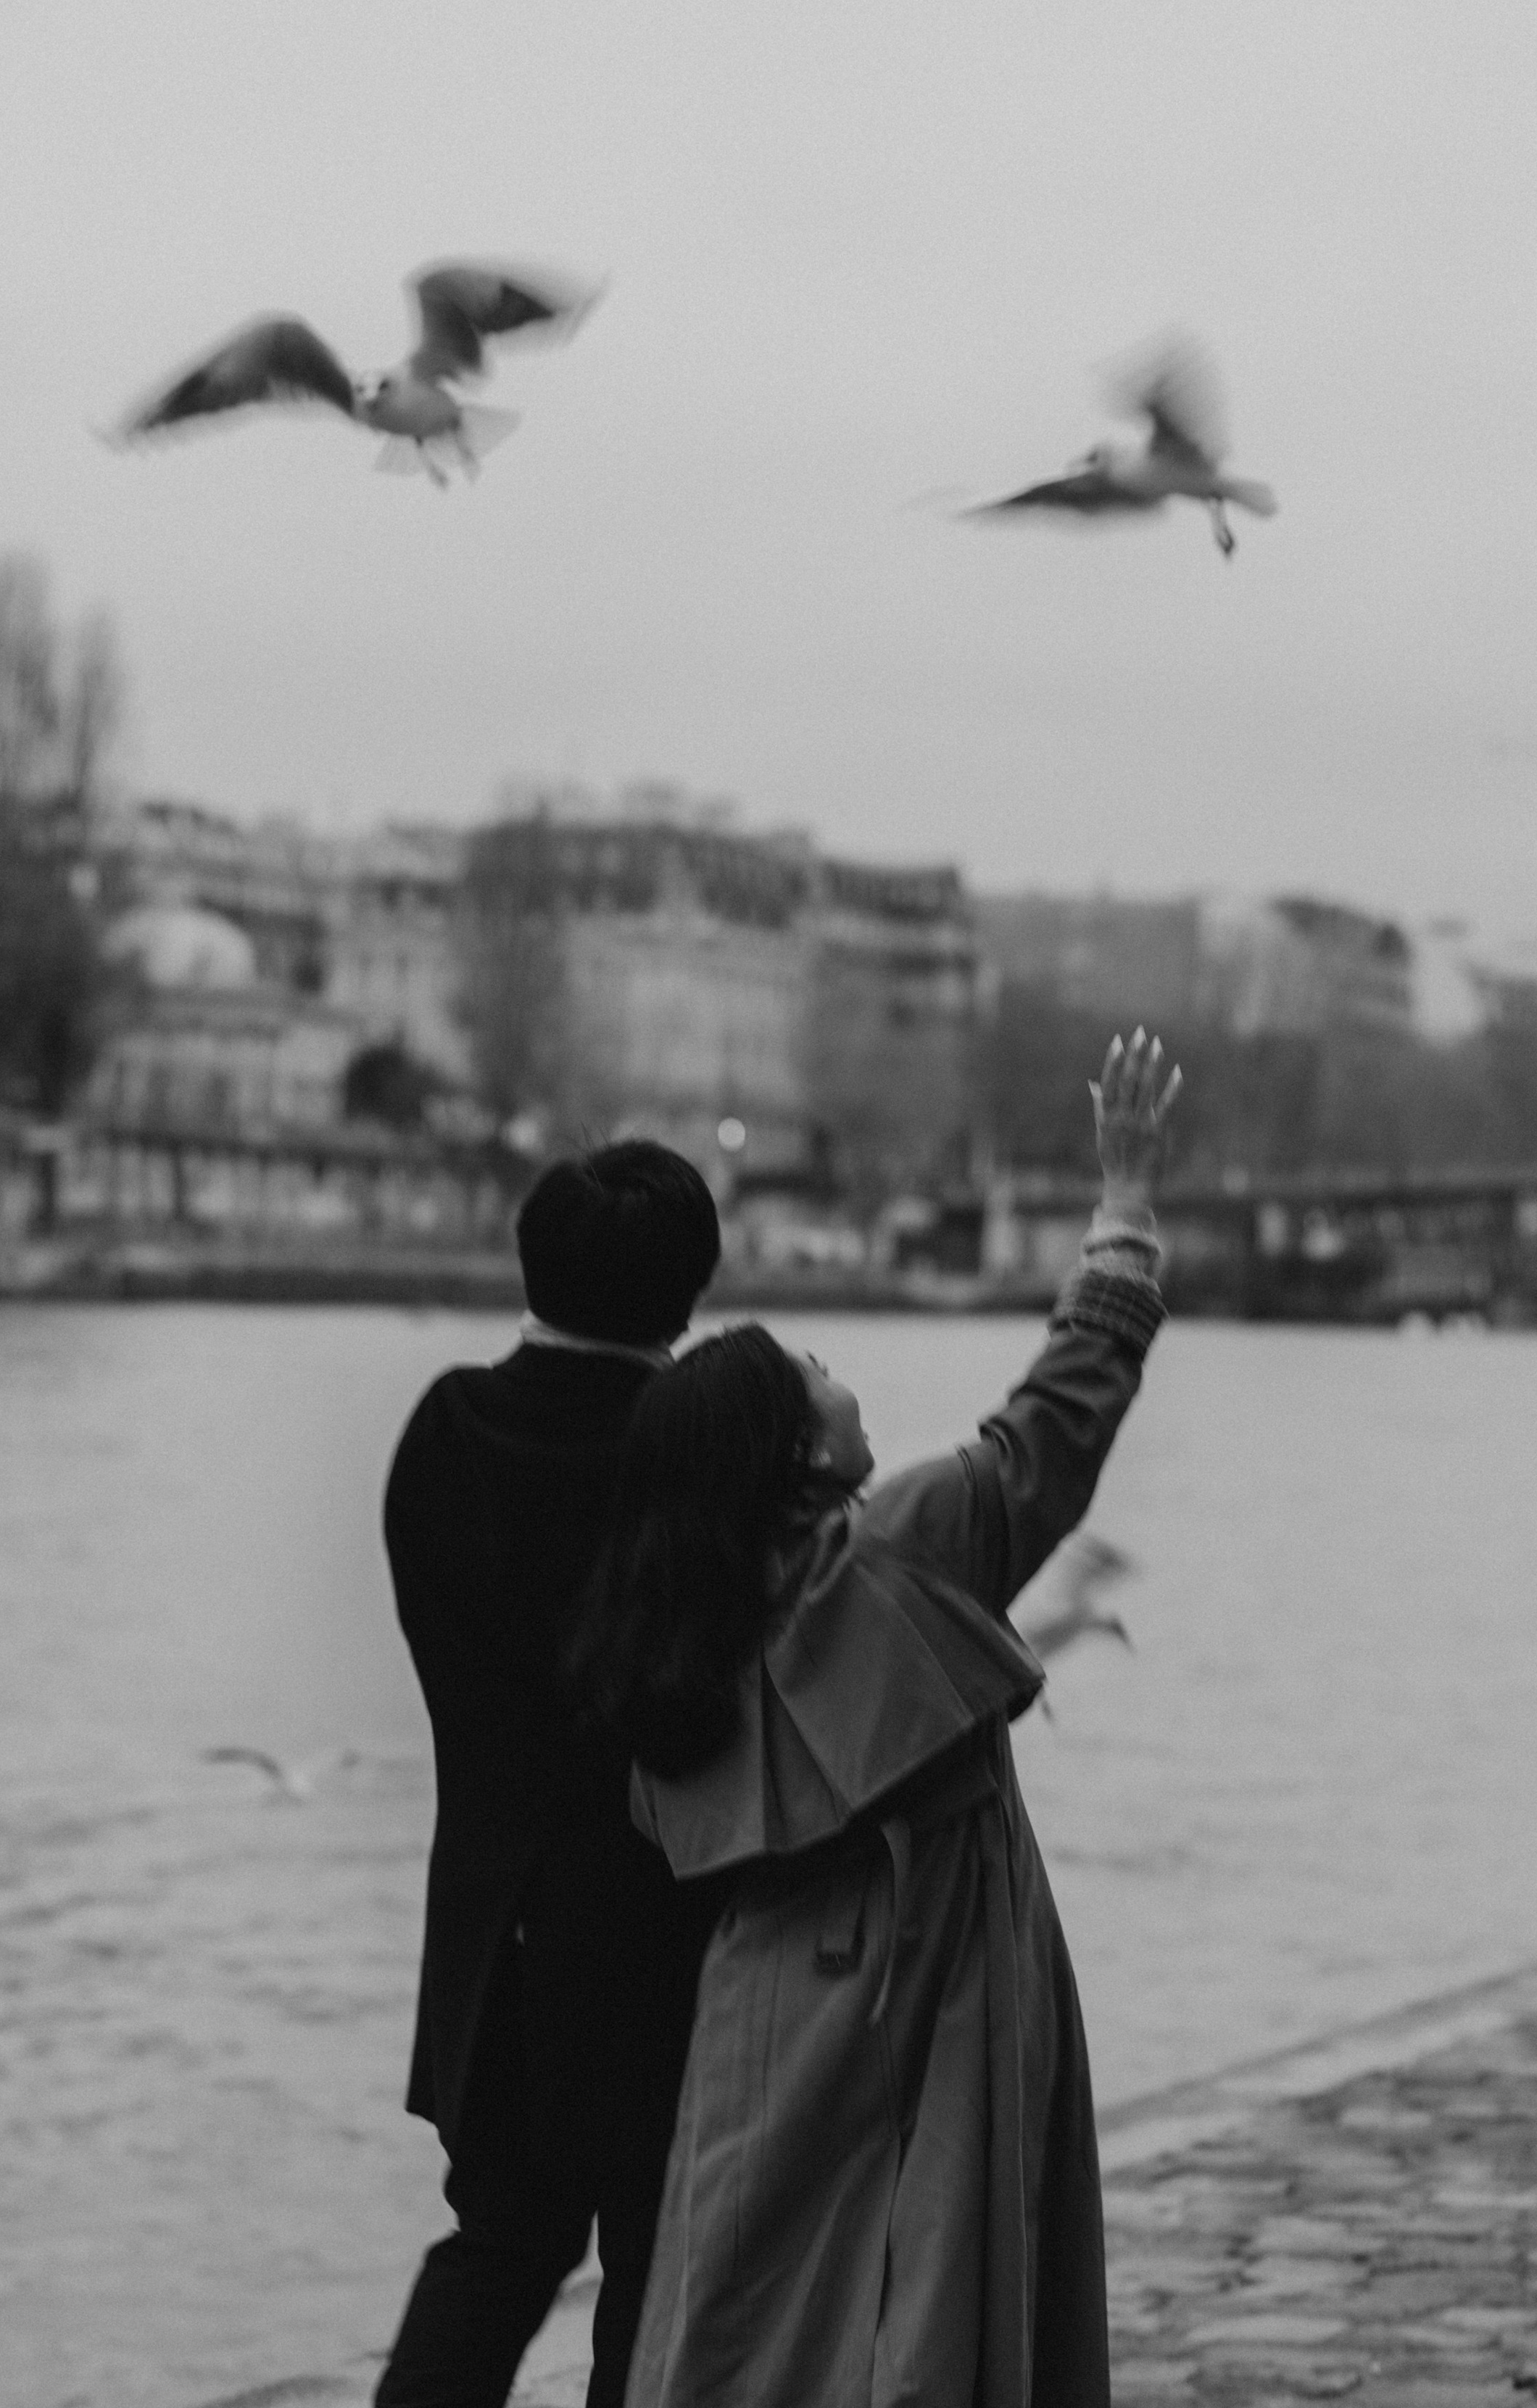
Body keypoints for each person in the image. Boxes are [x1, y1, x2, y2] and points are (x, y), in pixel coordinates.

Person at [573, 1030, 1180, 2408]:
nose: (840, 1373)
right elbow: (1060, 1417)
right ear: (798, 1454)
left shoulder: (682, 1625)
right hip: (942, 1976)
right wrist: (1125, 1202)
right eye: (815, 1368)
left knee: (744, 2310)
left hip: (768, 2008)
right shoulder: (900, 1546)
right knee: (939, 2310)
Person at [376, 1139, 726, 2408]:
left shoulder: (445, 1428)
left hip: (490, 1928)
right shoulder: (690, 1456)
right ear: (691, 1290)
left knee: (503, 2248)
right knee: (657, 2266)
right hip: (662, 1931)